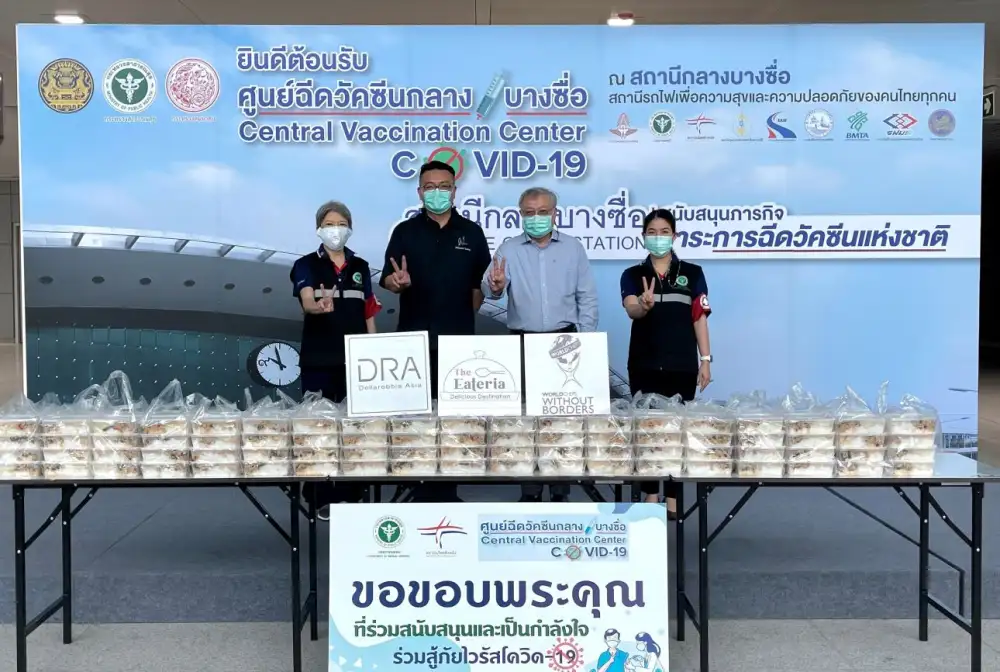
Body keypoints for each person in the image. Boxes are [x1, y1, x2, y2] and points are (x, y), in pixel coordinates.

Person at [381, 161, 491, 502]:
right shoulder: (405, 231)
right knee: (416, 419)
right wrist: (397, 282)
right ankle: (418, 486)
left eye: (444, 186)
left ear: (454, 191)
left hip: (458, 342)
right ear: (419, 192)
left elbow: (480, 286)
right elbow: (387, 279)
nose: (437, 192)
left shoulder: (471, 233)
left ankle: (447, 490)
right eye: (430, 187)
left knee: (453, 419)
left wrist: (464, 312)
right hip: (414, 340)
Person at [483, 186, 598, 503]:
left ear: (554, 213)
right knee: (525, 420)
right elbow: (490, 289)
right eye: (529, 213)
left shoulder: (573, 248)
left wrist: (586, 343)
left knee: (561, 421)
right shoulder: (508, 249)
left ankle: (560, 489)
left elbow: (587, 297)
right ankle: (530, 491)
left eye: (543, 212)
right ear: (521, 214)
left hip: (565, 341)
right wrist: (495, 286)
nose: (536, 218)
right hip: (523, 342)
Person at [290, 200, 381, 520]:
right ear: (319, 228)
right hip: (319, 358)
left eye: (341, 223)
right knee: (320, 429)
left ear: (350, 228)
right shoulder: (305, 264)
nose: (335, 230)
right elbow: (306, 301)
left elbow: (368, 312)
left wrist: (373, 350)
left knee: (354, 429)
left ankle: (352, 494)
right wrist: (318, 306)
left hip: (356, 362)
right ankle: (320, 496)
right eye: (329, 224)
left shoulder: (361, 266)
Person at [620, 209, 713, 515]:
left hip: (681, 364)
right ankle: (650, 493)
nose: (657, 237)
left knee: (676, 431)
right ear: (643, 236)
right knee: (648, 430)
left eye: (664, 232)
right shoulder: (632, 274)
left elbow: (699, 318)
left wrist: (705, 360)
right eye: (652, 232)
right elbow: (631, 310)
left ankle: (673, 496)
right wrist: (643, 305)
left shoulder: (693, 273)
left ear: (674, 236)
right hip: (644, 364)